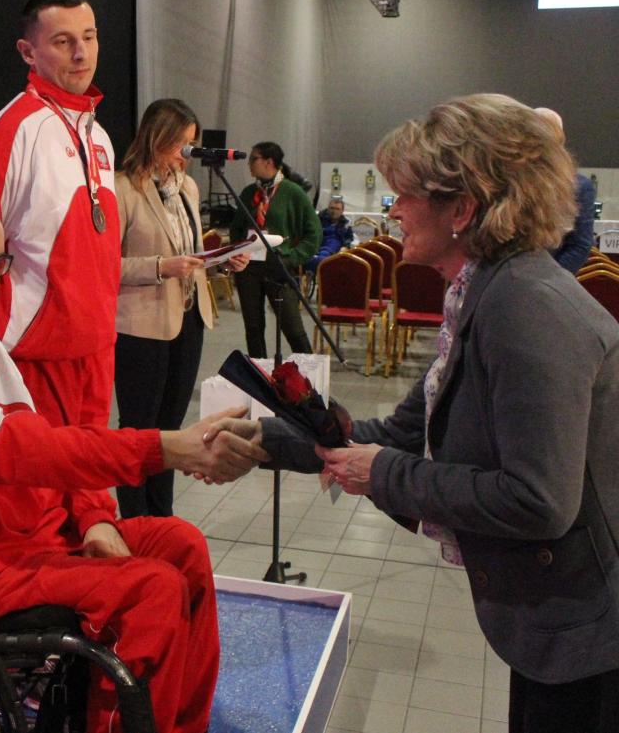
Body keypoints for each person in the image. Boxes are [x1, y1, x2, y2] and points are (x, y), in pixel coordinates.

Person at [0, 184, 268, 733]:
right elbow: (18, 451)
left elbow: (48, 443)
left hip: (22, 540)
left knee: (182, 544)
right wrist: (163, 447)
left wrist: (95, 517)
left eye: (0, 261)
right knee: (151, 589)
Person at [256, 95, 619, 733]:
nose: (392, 210)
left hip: (592, 640)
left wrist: (381, 474)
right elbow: (398, 434)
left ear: (463, 208)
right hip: (560, 622)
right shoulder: (482, 291)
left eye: (406, 195)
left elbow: (538, 501)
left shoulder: (525, 308)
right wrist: (258, 441)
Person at [0, 0, 118, 431]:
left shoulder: (99, 136)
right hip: (31, 357)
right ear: (28, 52)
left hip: (96, 349)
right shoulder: (10, 133)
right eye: (63, 41)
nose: (81, 53)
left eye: (88, 37)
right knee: (37, 497)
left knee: (89, 490)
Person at [113, 98, 249, 518]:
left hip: (188, 317)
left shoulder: (187, 188)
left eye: (192, 145)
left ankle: (162, 516)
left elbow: (190, 251)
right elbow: (103, 265)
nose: (186, 155)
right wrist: (160, 267)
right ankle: (136, 521)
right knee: (141, 429)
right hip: (141, 325)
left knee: (171, 428)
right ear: (156, 137)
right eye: (180, 145)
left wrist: (223, 258)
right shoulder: (122, 188)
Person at [228, 141, 322, 358]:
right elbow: (236, 228)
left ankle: (308, 382)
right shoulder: (249, 192)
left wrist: (292, 257)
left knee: (293, 329)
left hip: (279, 266)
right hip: (249, 268)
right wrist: (238, 251)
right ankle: (260, 378)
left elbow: (314, 233)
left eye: (253, 159)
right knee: (253, 328)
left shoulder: (293, 192)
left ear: (269, 162)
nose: (249, 164)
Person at [536, 107, 597, 273]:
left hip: (550, 278)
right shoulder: (510, 180)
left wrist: (550, 278)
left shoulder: (578, 186)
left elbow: (580, 245)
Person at [304, 196, 354, 273]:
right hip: (318, 245)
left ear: (342, 211)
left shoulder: (345, 223)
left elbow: (349, 238)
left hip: (333, 249)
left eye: (337, 209)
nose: (334, 211)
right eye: (332, 208)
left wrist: (345, 247)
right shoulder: (319, 218)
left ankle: (320, 262)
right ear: (328, 208)